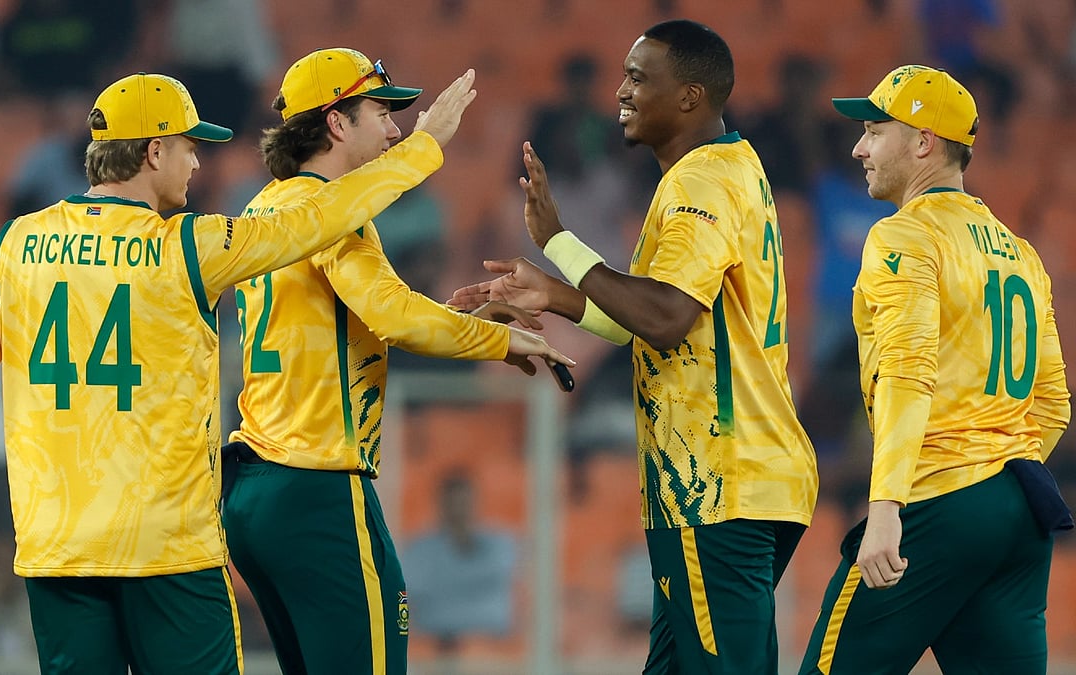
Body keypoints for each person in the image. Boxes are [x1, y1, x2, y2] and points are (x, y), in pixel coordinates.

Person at [0, 67, 482, 674]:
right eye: (188, 146)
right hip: (170, 550)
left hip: (56, 550)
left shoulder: (15, 245)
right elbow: (317, 218)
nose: (197, 163)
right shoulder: (186, 246)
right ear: (155, 152)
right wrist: (423, 148)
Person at [450, 19, 818, 673]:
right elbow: (647, 319)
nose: (620, 92)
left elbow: (666, 317)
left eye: (639, 78)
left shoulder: (699, 184)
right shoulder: (732, 167)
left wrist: (557, 240)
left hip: (716, 483)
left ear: (690, 96)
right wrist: (554, 293)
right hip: (739, 476)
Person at [218, 47, 574, 675]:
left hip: (256, 491)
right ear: (336, 122)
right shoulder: (335, 217)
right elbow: (394, 316)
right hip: (319, 488)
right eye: (381, 113)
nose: (394, 129)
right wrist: (499, 341)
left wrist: (460, 320)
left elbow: (346, 323)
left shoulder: (266, 208)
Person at [798, 65, 1071, 675]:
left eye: (875, 131)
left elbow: (907, 369)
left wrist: (886, 506)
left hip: (935, 501)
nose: (859, 148)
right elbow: (1054, 403)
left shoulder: (905, 236)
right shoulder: (1021, 254)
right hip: (1018, 508)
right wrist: (997, 478)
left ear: (923, 142)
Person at [401, 473, 517, 653]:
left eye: (464, 503)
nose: (459, 511)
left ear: (475, 503)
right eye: (453, 504)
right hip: (437, 647)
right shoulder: (419, 550)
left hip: (493, 647)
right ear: (441, 505)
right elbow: (413, 599)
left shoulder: (501, 544)